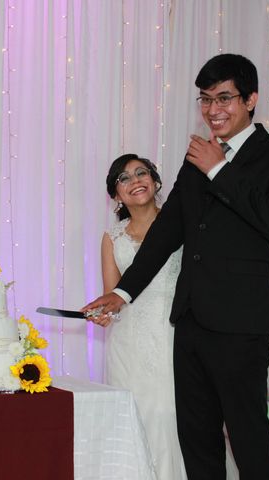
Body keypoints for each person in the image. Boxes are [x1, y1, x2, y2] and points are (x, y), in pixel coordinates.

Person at [83, 53, 269, 479]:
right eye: (205, 99)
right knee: (197, 442)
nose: (213, 110)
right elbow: (167, 232)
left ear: (251, 99)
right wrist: (122, 291)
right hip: (189, 322)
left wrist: (219, 169)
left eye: (224, 98)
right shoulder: (197, 157)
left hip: (241, 325)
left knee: (248, 440)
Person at [100, 154, 186, 480]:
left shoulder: (181, 224)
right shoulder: (112, 237)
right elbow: (113, 295)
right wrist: (102, 314)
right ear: (116, 195)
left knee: (168, 415)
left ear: (155, 181)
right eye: (124, 178)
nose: (135, 180)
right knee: (131, 418)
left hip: (171, 336)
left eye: (141, 173)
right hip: (127, 346)